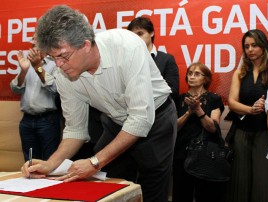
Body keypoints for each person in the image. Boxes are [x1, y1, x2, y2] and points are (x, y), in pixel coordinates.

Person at [21, 5, 177, 202]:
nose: (58, 65)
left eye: (62, 56)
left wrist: (94, 162)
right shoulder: (64, 76)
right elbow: (75, 129)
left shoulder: (127, 46)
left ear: (86, 45)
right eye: (53, 58)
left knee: (153, 189)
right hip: (116, 121)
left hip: (156, 119)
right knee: (107, 187)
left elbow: (140, 119)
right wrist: (50, 164)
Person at [226, 29, 268, 202]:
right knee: (240, 180)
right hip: (241, 131)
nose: (250, 49)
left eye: (254, 45)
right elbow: (231, 102)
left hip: (265, 132)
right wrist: (250, 109)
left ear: (263, 46)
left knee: (262, 180)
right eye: (246, 46)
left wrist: (265, 106)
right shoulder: (240, 72)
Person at [172, 62, 225, 202]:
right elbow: (174, 128)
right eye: (190, 73)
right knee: (181, 195)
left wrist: (199, 110)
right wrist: (189, 112)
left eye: (197, 74)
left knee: (206, 196)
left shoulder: (214, 99)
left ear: (206, 79)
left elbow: (213, 127)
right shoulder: (178, 99)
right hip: (181, 154)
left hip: (206, 155)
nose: (192, 77)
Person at [10, 35, 61, 161]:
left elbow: (56, 89)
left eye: (35, 38)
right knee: (30, 162)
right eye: (31, 39)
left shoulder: (56, 63)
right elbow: (15, 89)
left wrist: (37, 67)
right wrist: (23, 71)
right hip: (27, 121)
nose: (31, 41)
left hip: (48, 121)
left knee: (49, 162)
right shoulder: (27, 63)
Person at [127, 16, 180, 114]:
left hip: (161, 115)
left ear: (151, 33)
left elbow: (173, 91)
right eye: (133, 35)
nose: (137, 38)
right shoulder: (126, 60)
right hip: (133, 114)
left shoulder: (166, 59)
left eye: (140, 34)